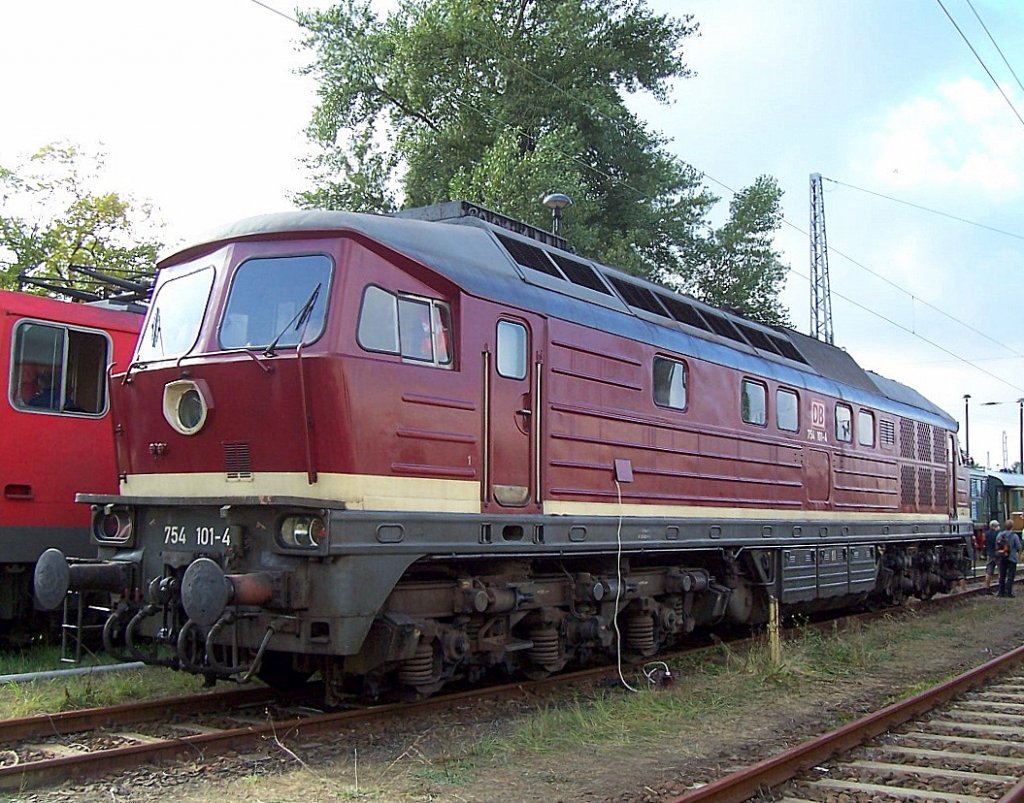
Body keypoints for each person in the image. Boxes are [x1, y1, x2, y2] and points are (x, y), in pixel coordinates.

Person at [995, 520, 1021, 598]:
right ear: (1012, 526)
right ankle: (1008, 592)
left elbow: (997, 544)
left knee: (1002, 575)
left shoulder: (999, 535)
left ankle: (1001, 592)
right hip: (1012, 558)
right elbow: (1018, 546)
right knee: (1010, 575)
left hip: (1002, 557)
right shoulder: (1014, 536)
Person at [983, 519, 1000, 593]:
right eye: (998, 525)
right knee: (1001, 571)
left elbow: (985, 543)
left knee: (988, 572)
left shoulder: (986, 534)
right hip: (998, 554)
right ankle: (1001, 587)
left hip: (990, 554)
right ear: (995, 526)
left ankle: (987, 588)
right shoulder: (999, 534)